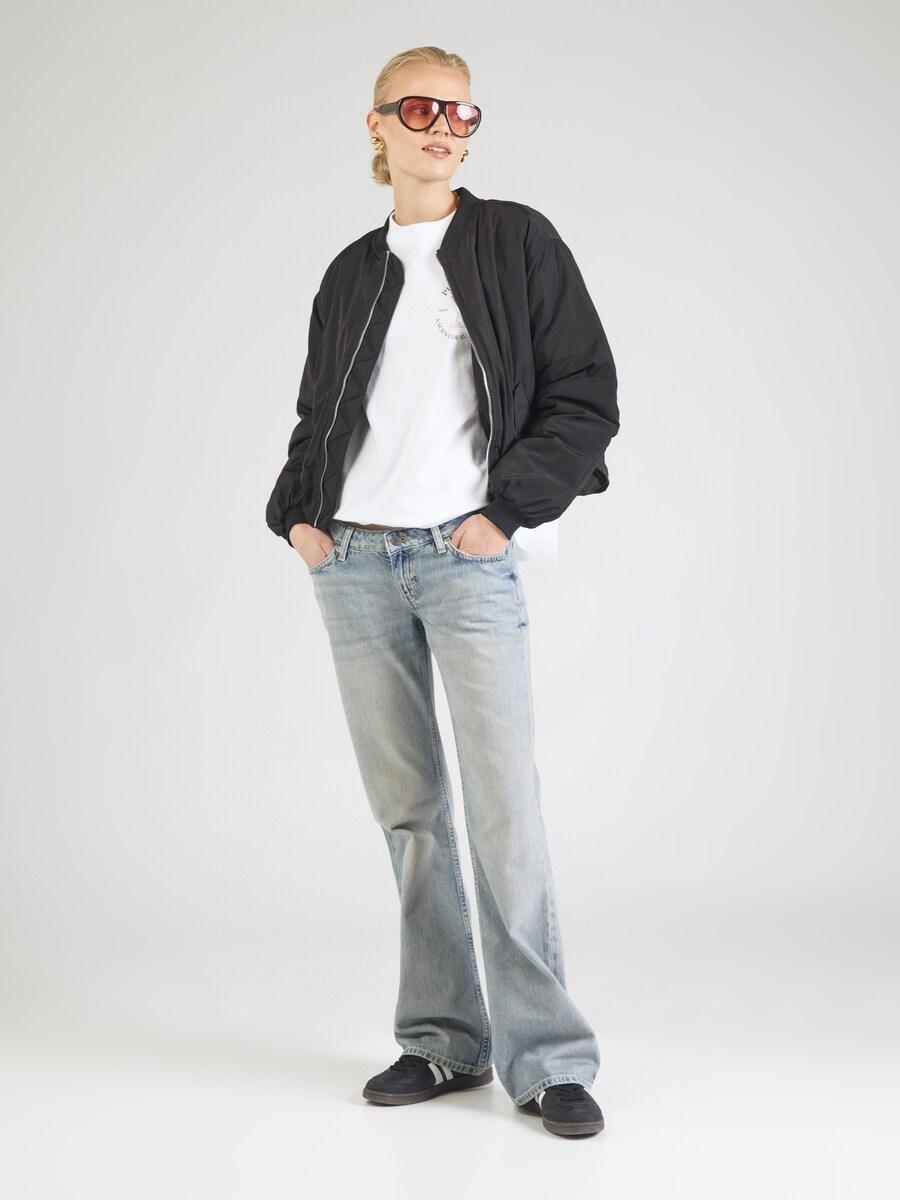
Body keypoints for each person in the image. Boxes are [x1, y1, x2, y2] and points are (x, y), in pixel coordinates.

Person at [265, 45, 619, 1139]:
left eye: (462, 114)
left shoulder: (516, 240)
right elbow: (320, 413)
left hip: (465, 559)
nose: (444, 128)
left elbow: (585, 393)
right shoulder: (350, 271)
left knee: (504, 808)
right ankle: (442, 1040)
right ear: (376, 126)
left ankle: (547, 1059)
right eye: (420, 109)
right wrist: (300, 518)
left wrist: (504, 513)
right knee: (411, 813)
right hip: (355, 562)